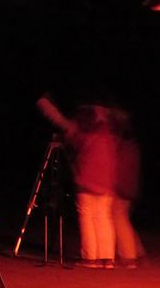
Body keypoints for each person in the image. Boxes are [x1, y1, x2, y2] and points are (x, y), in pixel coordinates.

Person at [36, 94, 117, 268]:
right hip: (106, 184)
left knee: (87, 219)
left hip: (87, 182)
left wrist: (44, 105)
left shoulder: (82, 134)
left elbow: (60, 122)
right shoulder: (108, 135)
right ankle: (107, 258)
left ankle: (90, 258)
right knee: (104, 219)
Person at [110, 107, 146, 267]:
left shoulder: (125, 147)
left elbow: (121, 169)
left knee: (118, 218)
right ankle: (136, 252)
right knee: (122, 218)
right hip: (129, 188)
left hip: (122, 187)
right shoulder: (132, 146)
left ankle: (129, 256)